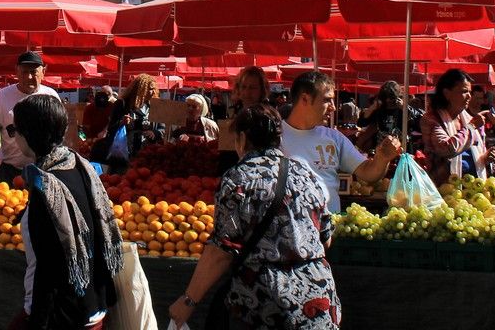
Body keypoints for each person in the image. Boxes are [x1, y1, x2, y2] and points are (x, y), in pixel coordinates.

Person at [168, 105, 340, 330]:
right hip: (317, 299)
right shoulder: (306, 174)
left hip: (266, 304)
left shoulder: (238, 178)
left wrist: (189, 300)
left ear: (242, 138)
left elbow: (221, 251)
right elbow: (325, 238)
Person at [12, 93, 121, 329]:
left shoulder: (46, 189)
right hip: (93, 307)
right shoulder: (80, 167)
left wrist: (39, 320)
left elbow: (48, 267)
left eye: (15, 130)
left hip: (64, 315)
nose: (13, 136)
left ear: (28, 134)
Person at [283, 70, 400, 212]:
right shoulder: (275, 137)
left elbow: (368, 173)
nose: (333, 107)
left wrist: (383, 158)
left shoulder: (334, 138)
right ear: (305, 99)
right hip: (293, 230)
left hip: (329, 229)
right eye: (327, 100)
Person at [0, 51, 62, 186]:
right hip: (12, 171)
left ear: (43, 72)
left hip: (45, 170)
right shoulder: (3, 96)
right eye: (24, 72)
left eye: (34, 72)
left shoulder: (51, 96)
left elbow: (60, 132)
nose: (29, 77)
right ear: (16, 72)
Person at [420, 69, 492, 187]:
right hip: (445, 189)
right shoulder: (431, 120)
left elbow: (474, 152)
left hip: (474, 189)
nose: (469, 96)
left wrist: (486, 157)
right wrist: (472, 127)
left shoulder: (468, 118)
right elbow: (447, 149)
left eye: (470, 91)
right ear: (447, 93)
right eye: (464, 91)